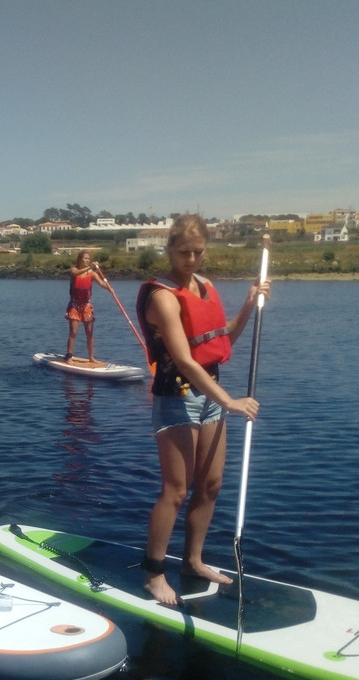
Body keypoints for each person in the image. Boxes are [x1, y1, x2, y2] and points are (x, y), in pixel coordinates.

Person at [135, 214, 271, 606]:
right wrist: (229, 401)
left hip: (210, 394)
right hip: (177, 397)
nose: (191, 259)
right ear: (169, 250)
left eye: (198, 252)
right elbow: (184, 360)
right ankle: (154, 574)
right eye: (183, 252)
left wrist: (249, 304)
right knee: (176, 490)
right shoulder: (162, 296)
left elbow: (220, 338)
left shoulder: (205, 287)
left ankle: (193, 561)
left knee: (210, 486)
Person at [64, 249, 108, 363]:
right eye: (85, 258)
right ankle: (69, 356)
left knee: (89, 332)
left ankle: (91, 357)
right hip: (74, 304)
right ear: (80, 259)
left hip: (86, 304)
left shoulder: (92, 274)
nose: (87, 260)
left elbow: (102, 283)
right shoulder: (74, 269)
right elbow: (75, 273)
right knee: (73, 331)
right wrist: (90, 267)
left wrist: (109, 288)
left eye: (89, 259)